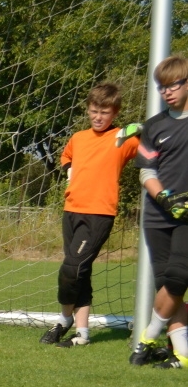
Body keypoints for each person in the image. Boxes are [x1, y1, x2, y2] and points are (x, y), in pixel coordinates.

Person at [39, 84, 140, 348]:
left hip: (99, 214)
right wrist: (70, 169)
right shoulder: (79, 137)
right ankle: (82, 334)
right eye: (94, 110)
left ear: (114, 113)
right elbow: (66, 155)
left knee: (71, 269)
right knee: (80, 271)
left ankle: (64, 320)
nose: (98, 116)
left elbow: (154, 144)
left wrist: (140, 128)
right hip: (71, 210)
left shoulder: (122, 138)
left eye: (104, 112)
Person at [131, 55, 188, 369]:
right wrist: (166, 199)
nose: (167, 92)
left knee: (179, 277)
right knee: (167, 285)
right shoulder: (153, 126)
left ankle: (149, 337)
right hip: (158, 215)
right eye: (161, 87)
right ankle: (183, 354)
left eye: (173, 85)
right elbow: (146, 172)